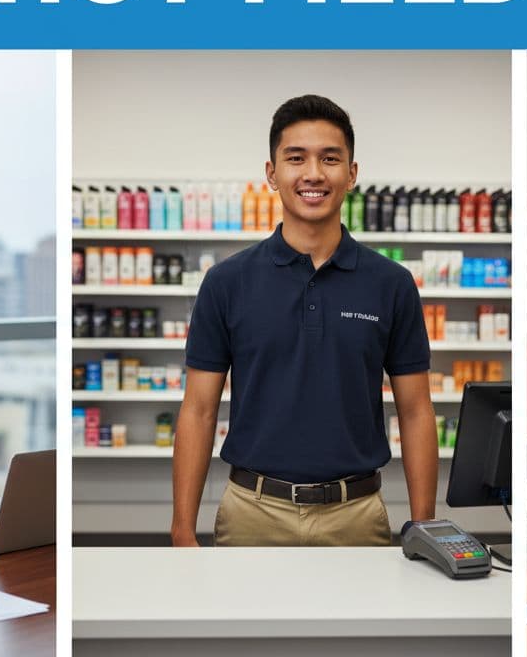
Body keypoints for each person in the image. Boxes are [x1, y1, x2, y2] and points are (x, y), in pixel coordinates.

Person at [171, 94, 438, 546]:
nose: (313, 173)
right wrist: (181, 530)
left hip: (356, 514)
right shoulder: (227, 282)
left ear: (352, 173)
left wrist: (425, 526)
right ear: (272, 173)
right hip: (251, 512)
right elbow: (197, 410)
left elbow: (416, 412)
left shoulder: (391, 284)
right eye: (296, 158)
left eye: (330, 158)